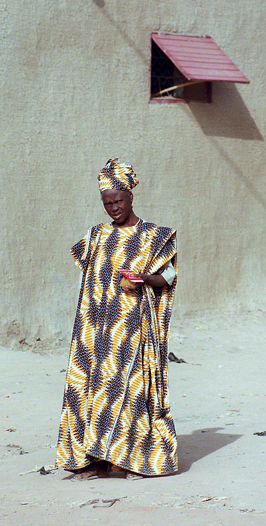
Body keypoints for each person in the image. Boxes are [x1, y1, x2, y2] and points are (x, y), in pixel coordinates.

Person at [56, 158, 178, 479]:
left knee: (131, 390)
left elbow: (168, 276)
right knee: (94, 390)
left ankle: (125, 458)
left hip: (133, 331)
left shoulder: (155, 236)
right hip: (96, 332)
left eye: (118, 200)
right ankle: (93, 456)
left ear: (131, 197)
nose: (113, 207)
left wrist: (142, 278)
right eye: (107, 202)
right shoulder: (96, 236)